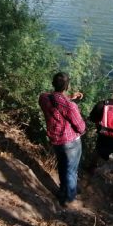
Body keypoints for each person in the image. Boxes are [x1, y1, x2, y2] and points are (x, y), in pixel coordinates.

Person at [38, 72, 86, 207]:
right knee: (71, 170)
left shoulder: (43, 98)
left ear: (53, 83)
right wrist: (70, 100)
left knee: (62, 166)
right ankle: (69, 199)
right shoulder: (70, 106)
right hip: (71, 142)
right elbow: (81, 127)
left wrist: (70, 97)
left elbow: (55, 100)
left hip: (56, 140)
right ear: (67, 86)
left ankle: (63, 190)